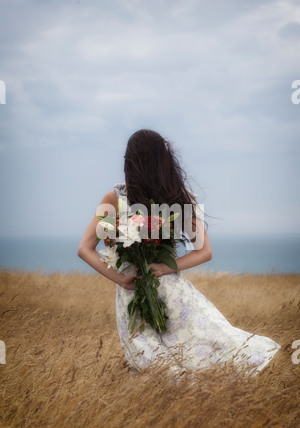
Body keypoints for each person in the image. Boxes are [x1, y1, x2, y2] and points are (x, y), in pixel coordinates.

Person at [78, 129, 281, 374]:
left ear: (130, 162)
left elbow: (85, 249)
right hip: (171, 290)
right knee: (209, 347)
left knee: (153, 362)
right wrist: (165, 268)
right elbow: (204, 252)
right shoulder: (174, 196)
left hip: (133, 294)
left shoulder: (116, 198)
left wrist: (122, 280)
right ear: (163, 161)